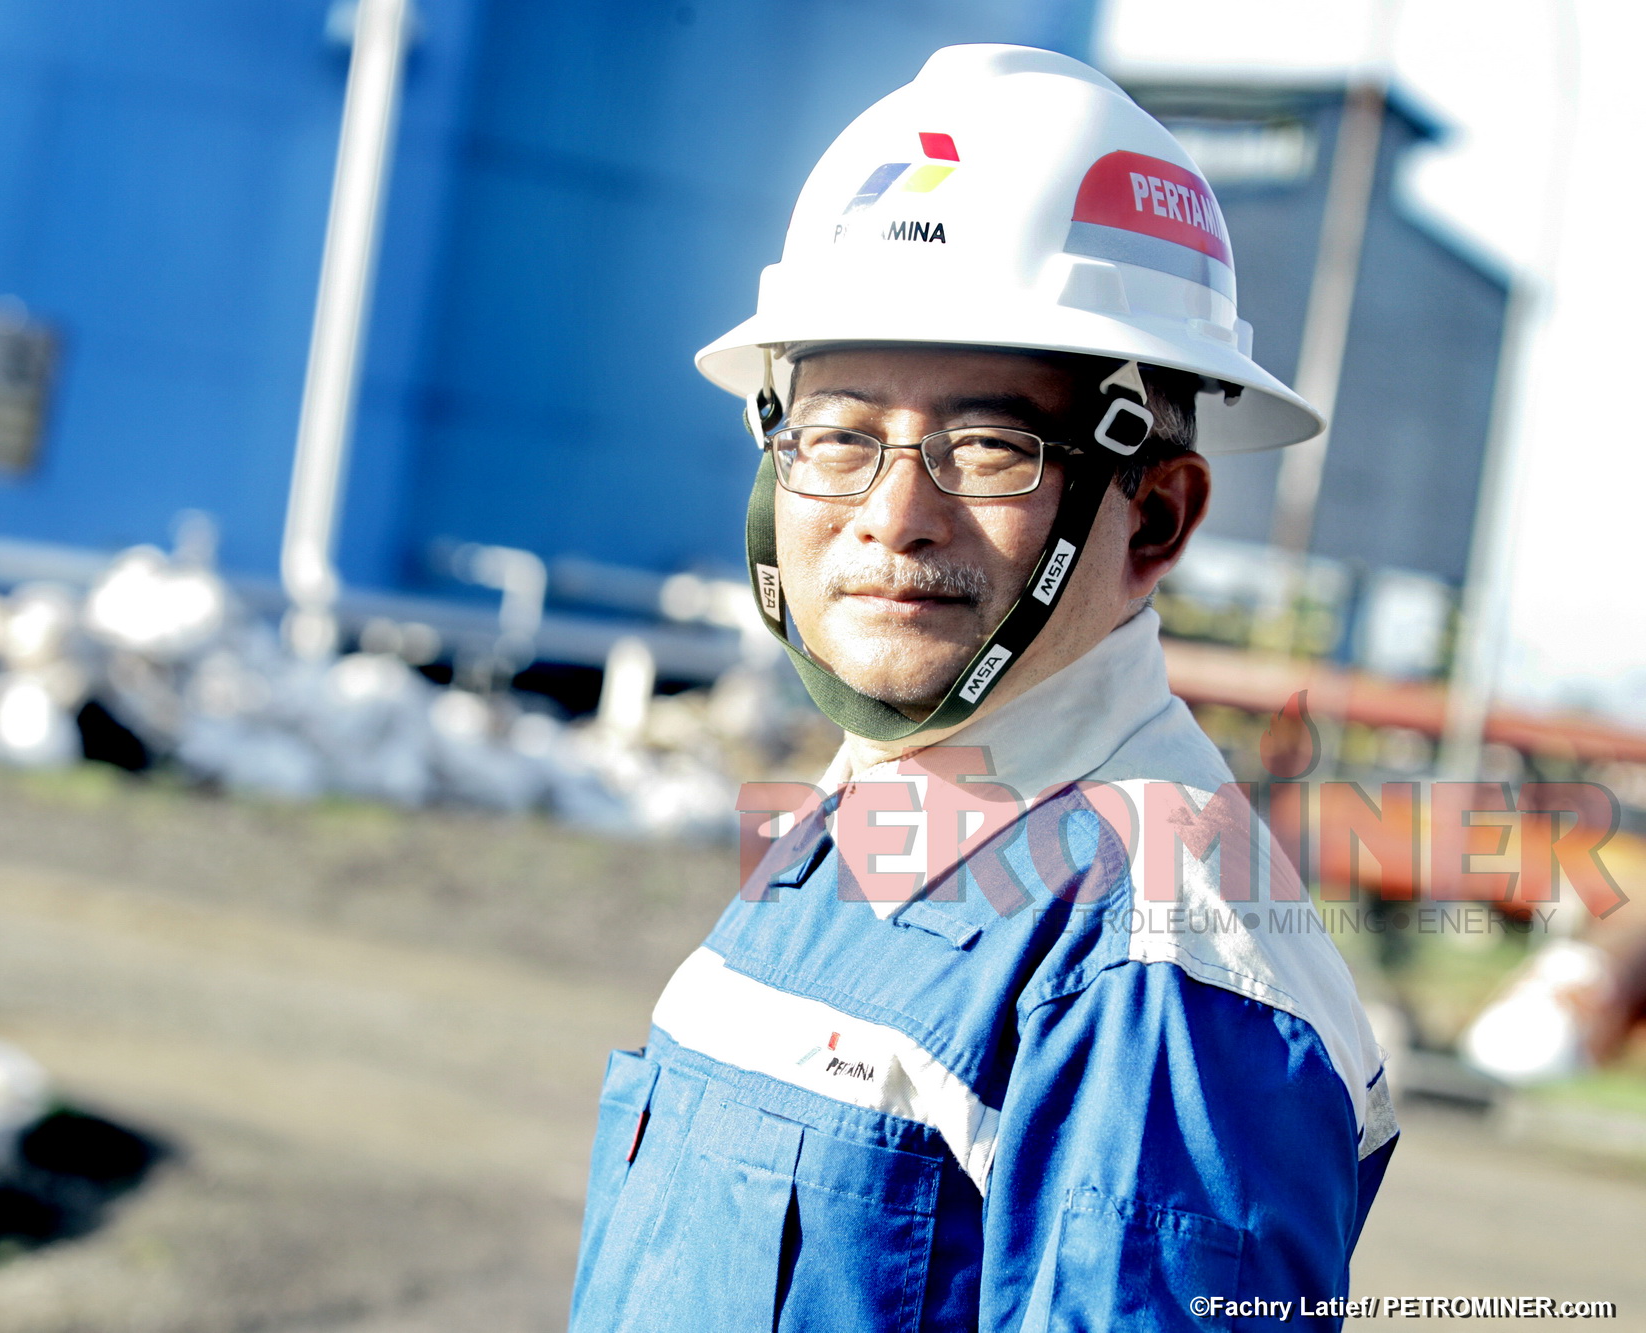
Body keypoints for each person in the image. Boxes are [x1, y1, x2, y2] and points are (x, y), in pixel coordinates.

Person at [569, 45, 1396, 1332]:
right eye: (838, 437)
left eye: (990, 448)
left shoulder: (1159, 978)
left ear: (1158, 514)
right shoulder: (869, 814)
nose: (891, 518)